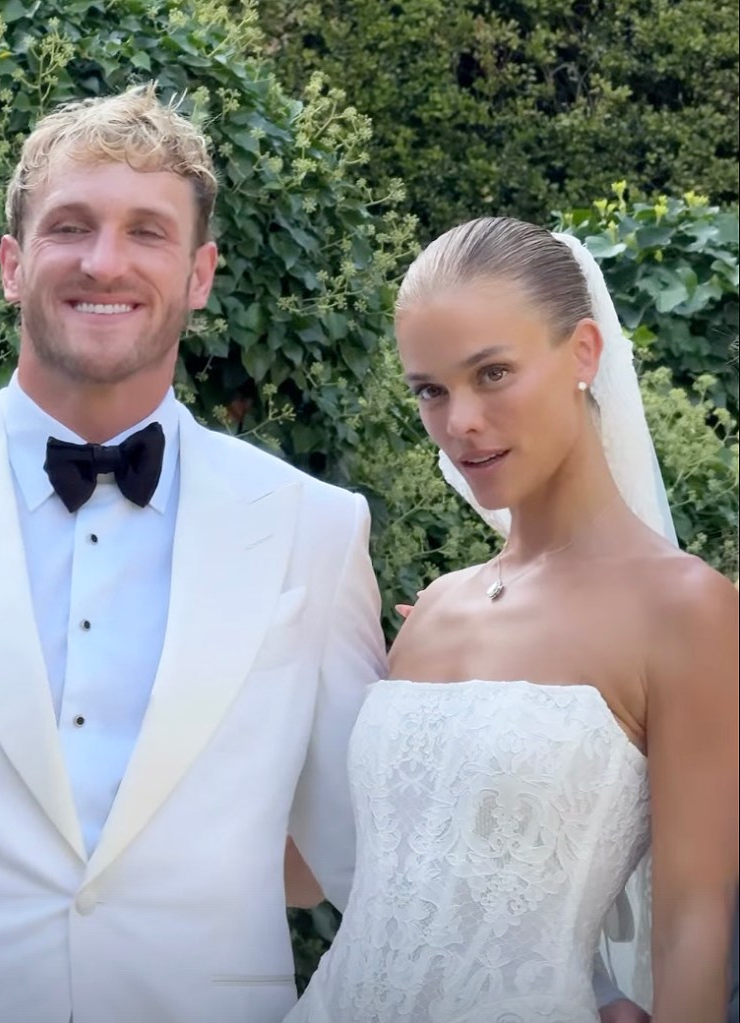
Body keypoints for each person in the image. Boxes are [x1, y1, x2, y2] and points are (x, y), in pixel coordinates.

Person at [0, 84, 387, 1023]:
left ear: (199, 273)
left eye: (147, 231)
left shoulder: (316, 527)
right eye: (70, 227)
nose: (105, 261)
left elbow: (364, 851)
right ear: (13, 265)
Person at [284, 217, 739, 1023]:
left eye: (491, 373)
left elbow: (691, 928)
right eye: (429, 389)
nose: (457, 420)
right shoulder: (432, 611)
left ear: (584, 354)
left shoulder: (688, 611)